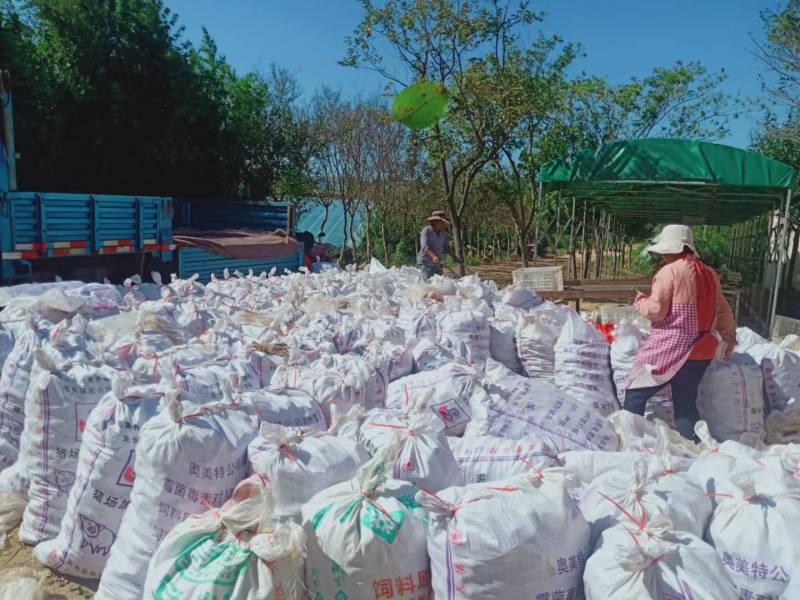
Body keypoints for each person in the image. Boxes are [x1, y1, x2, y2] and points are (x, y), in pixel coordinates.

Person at [623, 224, 736, 440]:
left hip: (672, 347)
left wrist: (640, 302)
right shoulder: (710, 274)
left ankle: (631, 440)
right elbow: (723, 311)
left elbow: (657, 311)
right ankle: (690, 446)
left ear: (671, 250)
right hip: (703, 349)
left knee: (636, 392)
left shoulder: (669, 272)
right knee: (685, 401)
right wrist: (729, 337)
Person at [417, 211, 451, 279]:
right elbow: (424, 247)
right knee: (427, 285)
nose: (443, 224)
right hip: (426, 264)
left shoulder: (444, 234)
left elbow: (447, 248)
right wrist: (433, 256)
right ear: (435, 221)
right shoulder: (426, 231)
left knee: (439, 285)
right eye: (441, 222)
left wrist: (454, 256)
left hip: (437, 264)